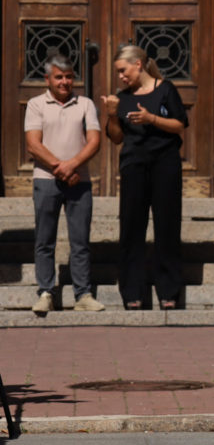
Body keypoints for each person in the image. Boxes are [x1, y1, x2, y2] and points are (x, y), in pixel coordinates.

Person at [102, 45, 188, 310]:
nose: (120, 76)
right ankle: (132, 292)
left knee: (167, 227)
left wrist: (151, 118)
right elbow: (116, 137)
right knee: (131, 228)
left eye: (123, 70)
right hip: (134, 166)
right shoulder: (122, 97)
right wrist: (112, 115)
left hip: (165, 164)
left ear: (138, 64)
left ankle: (169, 291)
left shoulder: (165, 89)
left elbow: (180, 125)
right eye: (118, 72)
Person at [25, 55, 103, 314]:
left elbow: (94, 141)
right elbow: (33, 144)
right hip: (46, 181)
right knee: (44, 240)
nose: (64, 82)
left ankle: (83, 294)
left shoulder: (85, 104)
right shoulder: (36, 104)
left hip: (79, 182)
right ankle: (46, 292)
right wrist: (62, 168)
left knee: (80, 241)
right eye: (59, 77)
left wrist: (73, 165)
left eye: (69, 77)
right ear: (47, 79)